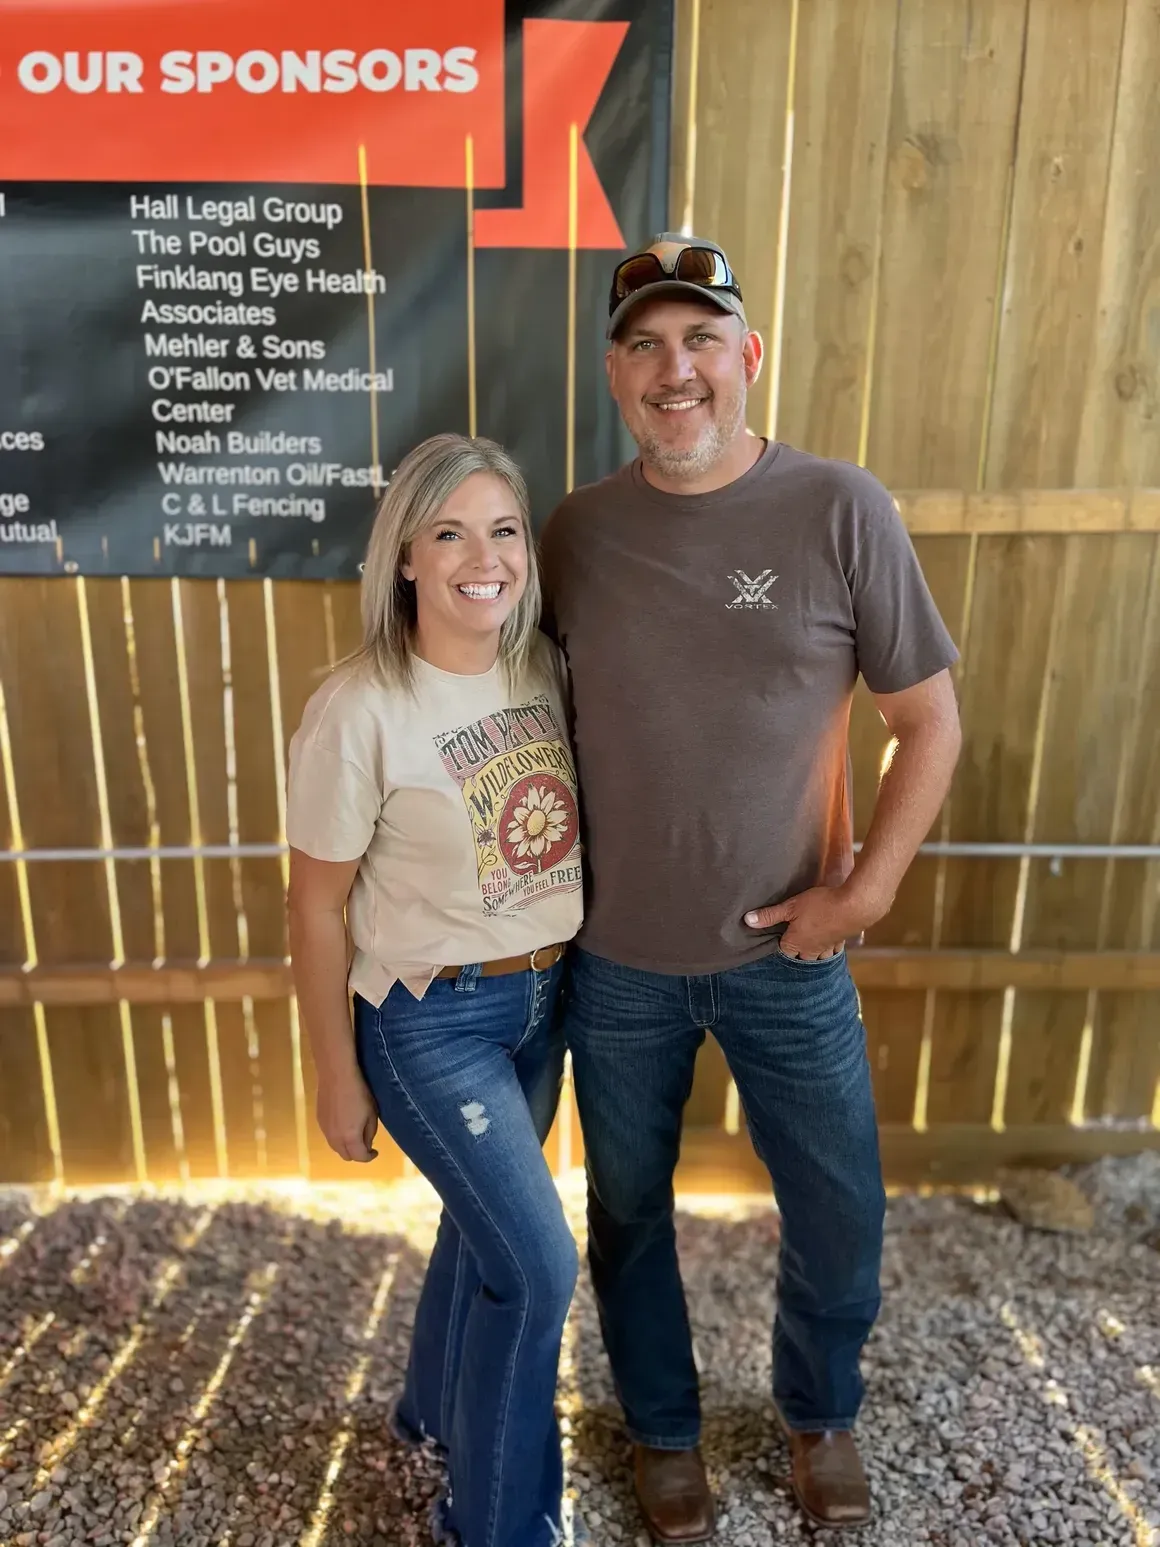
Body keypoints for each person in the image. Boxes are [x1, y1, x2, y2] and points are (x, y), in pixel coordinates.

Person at [538, 234, 962, 1540]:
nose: (679, 370)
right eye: (649, 346)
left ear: (747, 357)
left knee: (839, 1207)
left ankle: (819, 1413)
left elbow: (929, 719)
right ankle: (662, 1431)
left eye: (702, 340)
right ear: (616, 373)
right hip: (614, 964)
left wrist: (866, 888)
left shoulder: (841, 506)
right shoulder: (575, 533)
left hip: (791, 954)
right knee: (625, 1215)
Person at [286, 432, 587, 1547]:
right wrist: (332, 1070)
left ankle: (428, 1414)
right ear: (405, 557)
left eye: (503, 529)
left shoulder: (542, 669)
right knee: (539, 1265)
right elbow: (314, 908)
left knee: (480, 1237)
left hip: (542, 1002)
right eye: (449, 531)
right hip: (428, 1020)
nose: (484, 556)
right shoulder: (358, 708)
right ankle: (499, 1524)